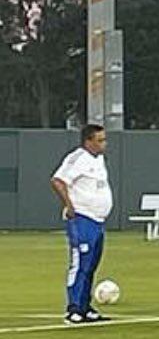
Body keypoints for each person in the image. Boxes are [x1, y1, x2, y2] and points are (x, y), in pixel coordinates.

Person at [51, 123, 114, 325]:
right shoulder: (77, 158)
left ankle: (86, 307)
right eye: (100, 140)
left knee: (91, 264)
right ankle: (74, 308)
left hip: (98, 220)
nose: (104, 143)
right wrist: (69, 206)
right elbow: (58, 180)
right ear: (88, 141)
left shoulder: (99, 159)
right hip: (82, 218)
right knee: (79, 264)